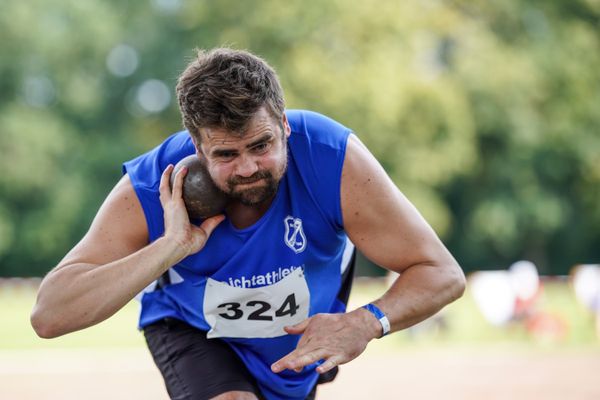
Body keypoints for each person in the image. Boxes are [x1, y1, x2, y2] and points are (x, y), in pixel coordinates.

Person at [31, 48, 466, 400]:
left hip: (297, 349)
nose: (248, 168)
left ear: (284, 125)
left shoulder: (332, 158)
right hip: (193, 332)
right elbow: (49, 315)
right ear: (196, 146)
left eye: (261, 145)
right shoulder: (155, 183)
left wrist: (367, 321)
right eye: (225, 154)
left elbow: (441, 273)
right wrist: (170, 245)